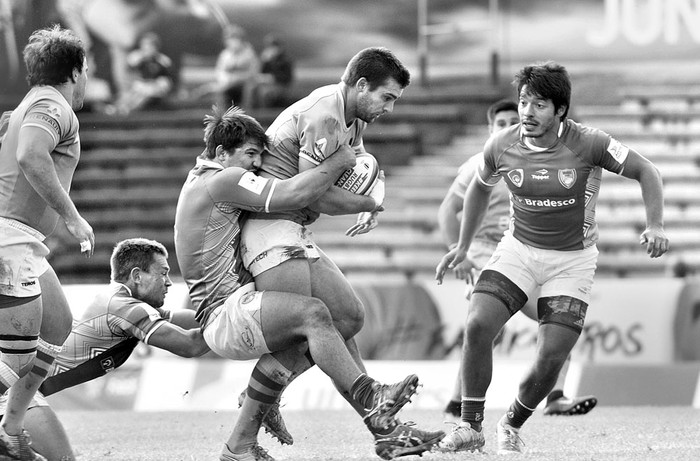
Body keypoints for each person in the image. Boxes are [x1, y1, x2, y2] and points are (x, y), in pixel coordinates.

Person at [435, 61, 669, 455]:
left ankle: (511, 423)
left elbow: (647, 170)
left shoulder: (590, 143)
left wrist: (656, 224)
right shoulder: (501, 144)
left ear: (560, 111)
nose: (527, 112)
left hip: (572, 260)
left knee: (551, 355)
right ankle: (470, 426)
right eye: (524, 102)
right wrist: (462, 245)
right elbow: (477, 188)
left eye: (539, 104)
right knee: (478, 324)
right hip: (518, 250)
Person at [174, 105, 423, 461]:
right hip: (225, 314)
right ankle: (370, 398)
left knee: (344, 318)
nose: (256, 164)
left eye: (260, 156)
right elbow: (293, 195)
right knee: (313, 316)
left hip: (232, 305)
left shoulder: (204, 180)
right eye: (249, 155)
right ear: (220, 153)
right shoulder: (222, 180)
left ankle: (380, 430)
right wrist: (341, 162)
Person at [239, 47, 445, 460]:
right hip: (269, 229)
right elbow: (318, 194)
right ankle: (255, 412)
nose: (389, 108)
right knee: (302, 330)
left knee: (349, 316)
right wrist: (369, 204)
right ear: (362, 85)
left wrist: (375, 190)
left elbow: (361, 166)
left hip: (293, 227)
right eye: (387, 98)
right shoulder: (325, 115)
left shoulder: (350, 116)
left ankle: (376, 423)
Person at [437, 99, 597, 421]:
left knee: (552, 320)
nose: (511, 125)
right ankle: (466, 404)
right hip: (487, 252)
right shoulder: (478, 164)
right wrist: (460, 250)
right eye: (501, 122)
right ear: (490, 128)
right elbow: (447, 210)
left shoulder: (539, 158)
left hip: (526, 250)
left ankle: (546, 396)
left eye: (515, 119)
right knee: (485, 324)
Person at [0, 238, 210, 461]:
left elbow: (186, 319)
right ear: (137, 276)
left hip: (19, 391)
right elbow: (191, 345)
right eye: (163, 273)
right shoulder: (125, 308)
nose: (168, 282)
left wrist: (219, 314)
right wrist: (237, 325)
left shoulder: (123, 301)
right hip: (13, 393)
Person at [0, 25, 94, 461]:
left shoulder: (28, 105)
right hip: (9, 242)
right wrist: (74, 218)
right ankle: (11, 427)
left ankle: (11, 427)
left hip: (23, 241)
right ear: (75, 71)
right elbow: (30, 156)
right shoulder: (53, 105)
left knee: (57, 325)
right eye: (87, 71)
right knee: (14, 372)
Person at [108, 31, 174, 115]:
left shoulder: (163, 60)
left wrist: (156, 85)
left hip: (154, 89)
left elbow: (168, 81)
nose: (146, 48)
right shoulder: (136, 58)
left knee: (145, 92)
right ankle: (118, 108)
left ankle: (125, 110)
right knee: (135, 90)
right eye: (144, 46)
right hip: (139, 87)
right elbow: (129, 73)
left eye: (149, 46)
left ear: (155, 47)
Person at [214, 24, 259, 110]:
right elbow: (219, 71)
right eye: (229, 38)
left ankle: (245, 117)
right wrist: (227, 79)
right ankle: (223, 119)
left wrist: (238, 78)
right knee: (221, 92)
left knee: (249, 91)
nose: (232, 41)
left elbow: (253, 72)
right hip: (228, 84)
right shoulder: (225, 55)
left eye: (235, 38)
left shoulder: (249, 54)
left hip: (245, 84)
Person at [254, 33, 294, 108]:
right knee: (252, 89)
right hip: (267, 85)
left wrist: (272, 78)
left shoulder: (285, 60)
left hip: (281, 86)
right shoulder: (267, 60)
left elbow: (287, 78)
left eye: (273, 47)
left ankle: (264, 117)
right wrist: (264, 61)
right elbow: (260, 73)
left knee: (264, 93)